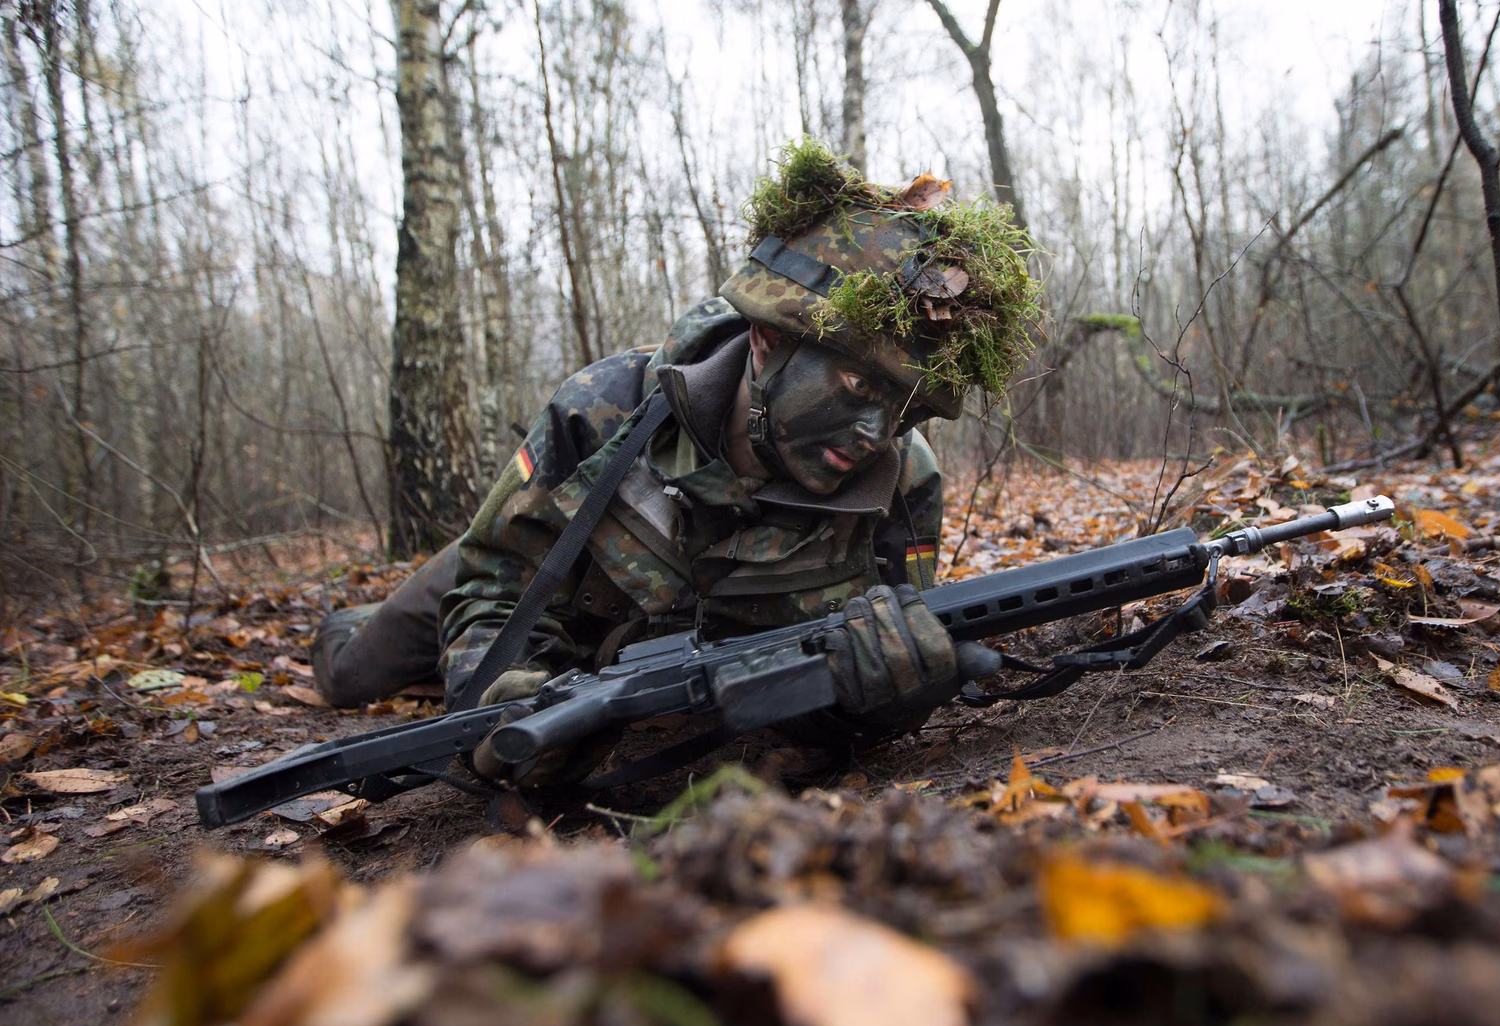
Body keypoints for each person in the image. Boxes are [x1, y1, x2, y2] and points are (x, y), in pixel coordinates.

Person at [308, 140, 1038, 787]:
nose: (881, 431)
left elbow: (876, 652)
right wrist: (505, 695)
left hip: (677, 651)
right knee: (356, 675)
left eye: (907, 407)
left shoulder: (906, 484)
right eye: (857, 385)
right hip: (548, 568)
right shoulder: (601, 412)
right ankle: (355, 622)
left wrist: (885, 705)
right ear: (767, 342)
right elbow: (493, 591)